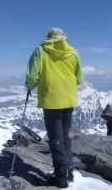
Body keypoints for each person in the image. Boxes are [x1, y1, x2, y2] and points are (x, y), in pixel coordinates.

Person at [25, 27, 83, 188]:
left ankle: (61, 178)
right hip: (69, 99)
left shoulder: (41, 51)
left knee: (55, 138)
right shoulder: (73, 52)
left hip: (51, 100)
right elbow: (79, 78)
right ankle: (69, 171)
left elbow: (32, 76)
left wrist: (29, 86)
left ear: (49, 37)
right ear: (64, 37)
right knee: (65, 135)